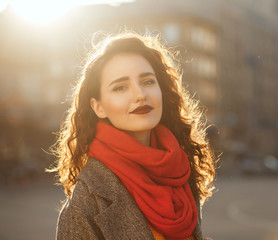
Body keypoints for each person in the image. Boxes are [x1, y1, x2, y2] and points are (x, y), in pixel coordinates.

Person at [50, 32, 216, 240]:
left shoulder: (180, 169)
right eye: (120, 87)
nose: (140, 95)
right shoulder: (85, 203)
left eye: (147, 82)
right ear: (99, 107)